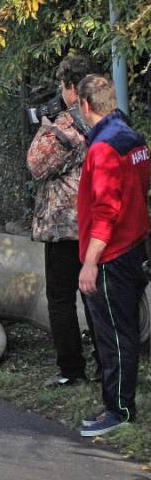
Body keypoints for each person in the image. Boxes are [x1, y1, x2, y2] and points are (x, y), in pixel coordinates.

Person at [76, 74, 150, 437]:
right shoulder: (132, 138)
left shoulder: (103, 148)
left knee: (115, 336)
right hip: (135, 247)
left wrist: (91, 261)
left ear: (85, 105)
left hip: (111, 256)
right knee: (124, 332)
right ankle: (116, 402)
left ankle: (118, 409)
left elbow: (106, 211)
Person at [26, 55, 99, 388]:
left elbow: (37, 165)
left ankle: (72, 370)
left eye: (62, 85)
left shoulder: (66, 128)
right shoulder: (104, 121)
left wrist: (45, 126)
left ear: (72, 89)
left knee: (60, 299)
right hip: (97, 225)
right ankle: (105, 363)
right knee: (96, 298)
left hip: (65, 226)